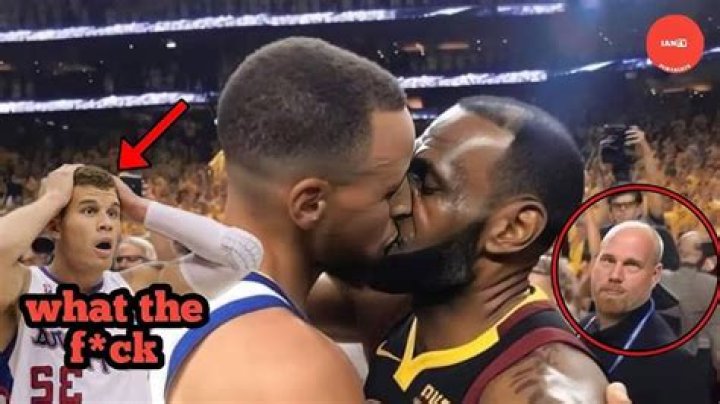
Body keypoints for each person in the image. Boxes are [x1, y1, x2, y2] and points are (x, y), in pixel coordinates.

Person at [166, 94, 632, 402]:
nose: (394, 199)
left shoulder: (538, 388)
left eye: (425, 184)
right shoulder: (392, 300)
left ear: (512, 228)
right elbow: (223, 291)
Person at [159, 36, 415, 403]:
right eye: (390, 193)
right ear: (310, 204)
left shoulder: (172, 294)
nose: (406, 209)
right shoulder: (296, 371)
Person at [0, 164, 262, 403]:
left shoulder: (136, 290)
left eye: (113, 213)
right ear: (55, 225)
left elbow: (242, 254)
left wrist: (140, 207)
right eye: (90, 210)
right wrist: (53, 199)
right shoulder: (23, 289)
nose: (106, 224)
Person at [582, 221, 712, 404]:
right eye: (608, 260)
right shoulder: (574, 331)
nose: (615, 275)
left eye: (631, 265)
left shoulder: (677, 368)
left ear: (655, 275)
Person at [661, 230, 720, 403]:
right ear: (701, 252)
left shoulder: (661, 279)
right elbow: (716, 332)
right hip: (703, 358)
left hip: (668, 357)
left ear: (679, 251)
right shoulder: (710, 284)